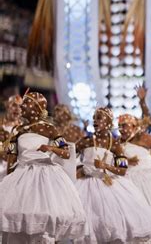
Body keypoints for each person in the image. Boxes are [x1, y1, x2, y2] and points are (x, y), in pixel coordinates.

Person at [0, 92, 87, 242]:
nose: (22, 106)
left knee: (43, 214)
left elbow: (66, 153)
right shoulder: (18, 131)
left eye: (26, 103)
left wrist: (51, 148)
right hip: (22, 177)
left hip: (45, 178)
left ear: (38, 107)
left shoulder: (49, 129)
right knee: (19, 217)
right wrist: (9, 182)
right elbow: (11, 159)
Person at [75, 107, 151, 243]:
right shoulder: (85, 141)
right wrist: (79, 168)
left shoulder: (115, 144)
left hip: (108, 185)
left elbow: (122, 170)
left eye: (99, 118)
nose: (95, 121)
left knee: (109, 223)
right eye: (94, 118)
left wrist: (106, 166)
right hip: (85, 185)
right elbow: (69, 158)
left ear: (108, 122)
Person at [0, 95, 22, 180]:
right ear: (7, 106)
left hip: (18, 169)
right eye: (14, 105)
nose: (17, 109)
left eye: (20, 106)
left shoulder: (25, 128)